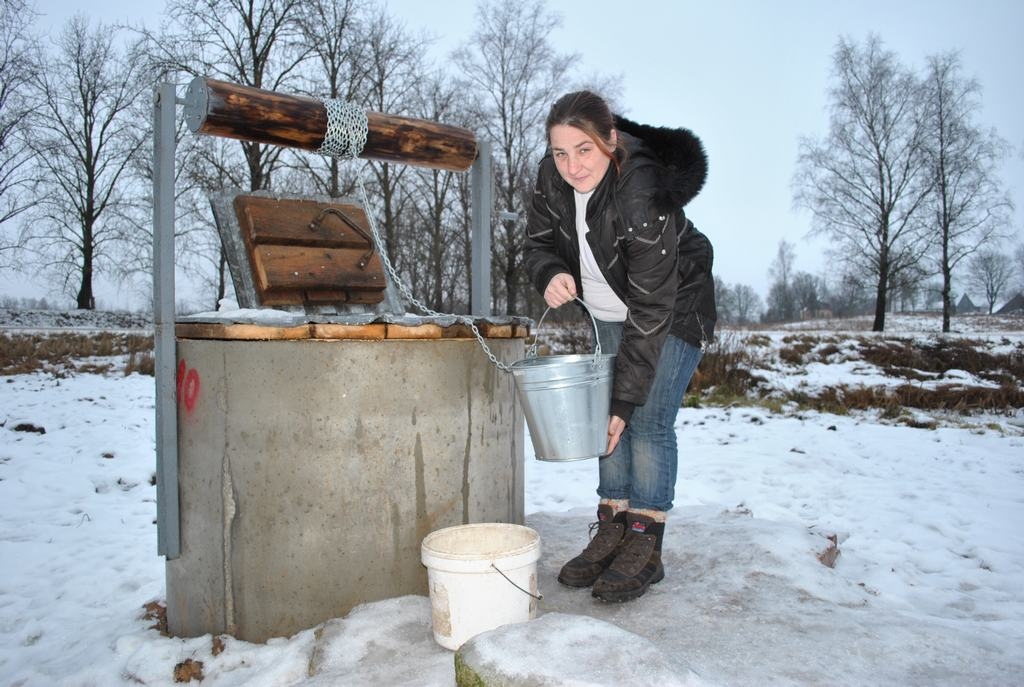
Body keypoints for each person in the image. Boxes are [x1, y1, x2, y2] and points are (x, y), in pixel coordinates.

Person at [523, 91, 716, 602]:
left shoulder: (641, 187)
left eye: (584, 150)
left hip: (671, 309)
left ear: (610, 140)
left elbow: (652, 309)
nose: (571, 166)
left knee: (644, 418)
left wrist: (626, 398)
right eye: (560, 152)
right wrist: (550, 272)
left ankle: (645, 540)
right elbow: (537, 243)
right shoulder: (551, 176)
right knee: (605, 421)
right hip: (609, 310)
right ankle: (612, 524)